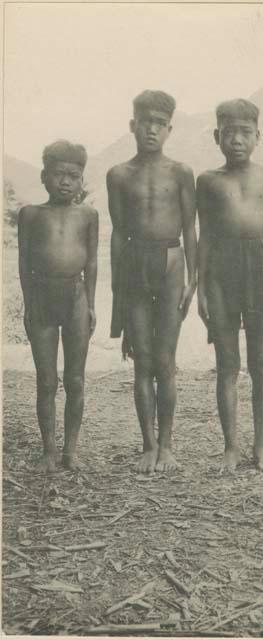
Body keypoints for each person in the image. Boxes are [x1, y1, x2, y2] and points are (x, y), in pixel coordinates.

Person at [107, 90, 197, 473]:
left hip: (172, 262)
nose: (152, 130)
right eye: (146, 122)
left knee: (166, 360)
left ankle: (168, 445)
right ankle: (147, 444)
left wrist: (194, 278)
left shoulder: (180, 172)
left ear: (169, 129)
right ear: (133, 125)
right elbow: (116, 233)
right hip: (135, 267)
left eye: (160, 124)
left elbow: (190, 228)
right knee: (142, 360)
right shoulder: (118, 174)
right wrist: (117, 293)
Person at [197, 99, 263, 473]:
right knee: (228, 363)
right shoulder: (207, 181)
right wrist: (201, 287)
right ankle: (231, 447)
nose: (236, 140)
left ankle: (261, 449)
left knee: (262, 362)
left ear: (257, 136)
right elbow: (203, 237)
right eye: (229, 132)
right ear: (217, 136)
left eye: (245, 132)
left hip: (259, 269)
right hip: (220, 272)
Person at [18, 140, 98, 472]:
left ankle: (71, 452)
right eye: (59, 174)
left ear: (82, 181)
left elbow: (92, 262)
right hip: (42, 297)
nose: (66, 181)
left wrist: (91, 304)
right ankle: (48, 452)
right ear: (44, 176)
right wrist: (27, 305)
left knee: (75, 379)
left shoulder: (89, 215)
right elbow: (23, 263)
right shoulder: (31, 214)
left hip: (76, 297)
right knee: (46, 379)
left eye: (74, 175)